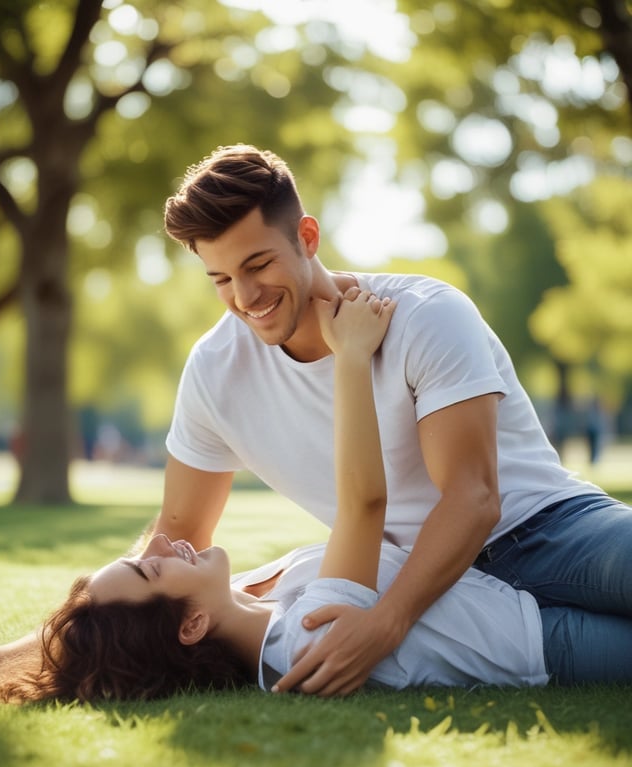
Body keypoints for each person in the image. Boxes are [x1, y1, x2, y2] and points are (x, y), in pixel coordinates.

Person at [0, 293, 632, 702]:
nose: (164, 546)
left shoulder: (254, 607)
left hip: (530, 560)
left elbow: (115, 620)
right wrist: (351, 359)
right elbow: (364, 506)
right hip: (542, 643)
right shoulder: (301, 637)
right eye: (154, 567)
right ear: (191, 628)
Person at [151, 143, 632, 697]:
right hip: (441, 594)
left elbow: (472, 496)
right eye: (221, 279)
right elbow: (179, 533)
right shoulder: (215, 372)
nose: (245, 296)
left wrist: (387, 622)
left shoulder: (427, 316)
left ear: (307, 238)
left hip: (552, 531)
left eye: (258, 265)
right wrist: (58, 644)